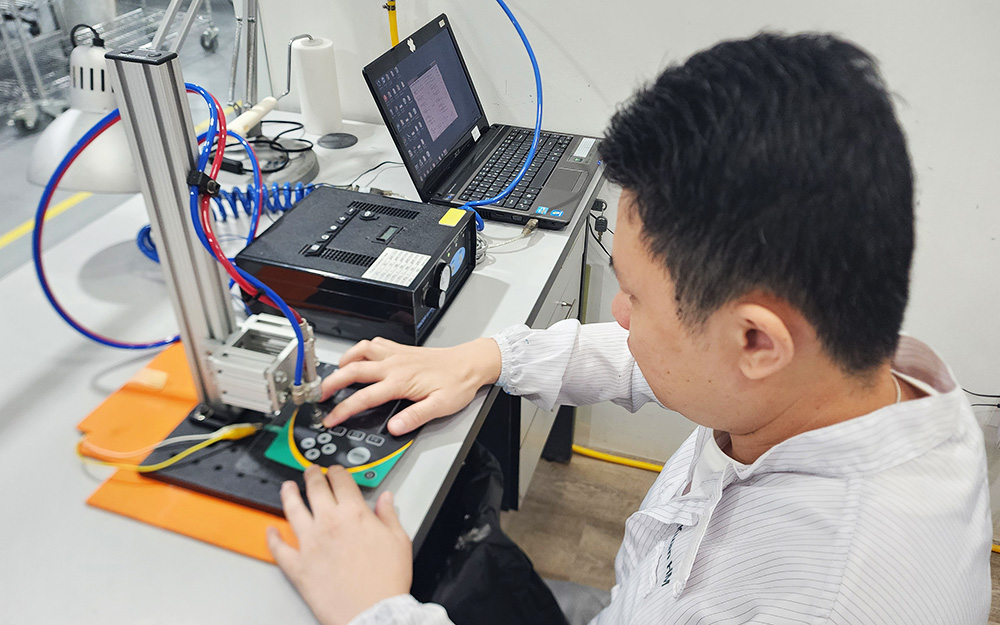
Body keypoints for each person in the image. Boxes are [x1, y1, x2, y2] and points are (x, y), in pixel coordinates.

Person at [265, 32, 992, 624]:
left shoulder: (825, 594)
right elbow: (669, 354)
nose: (618, 314)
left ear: (757, 340)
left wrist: (376, 611)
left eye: (636, 298)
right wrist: (491, 355)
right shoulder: (841, 361)